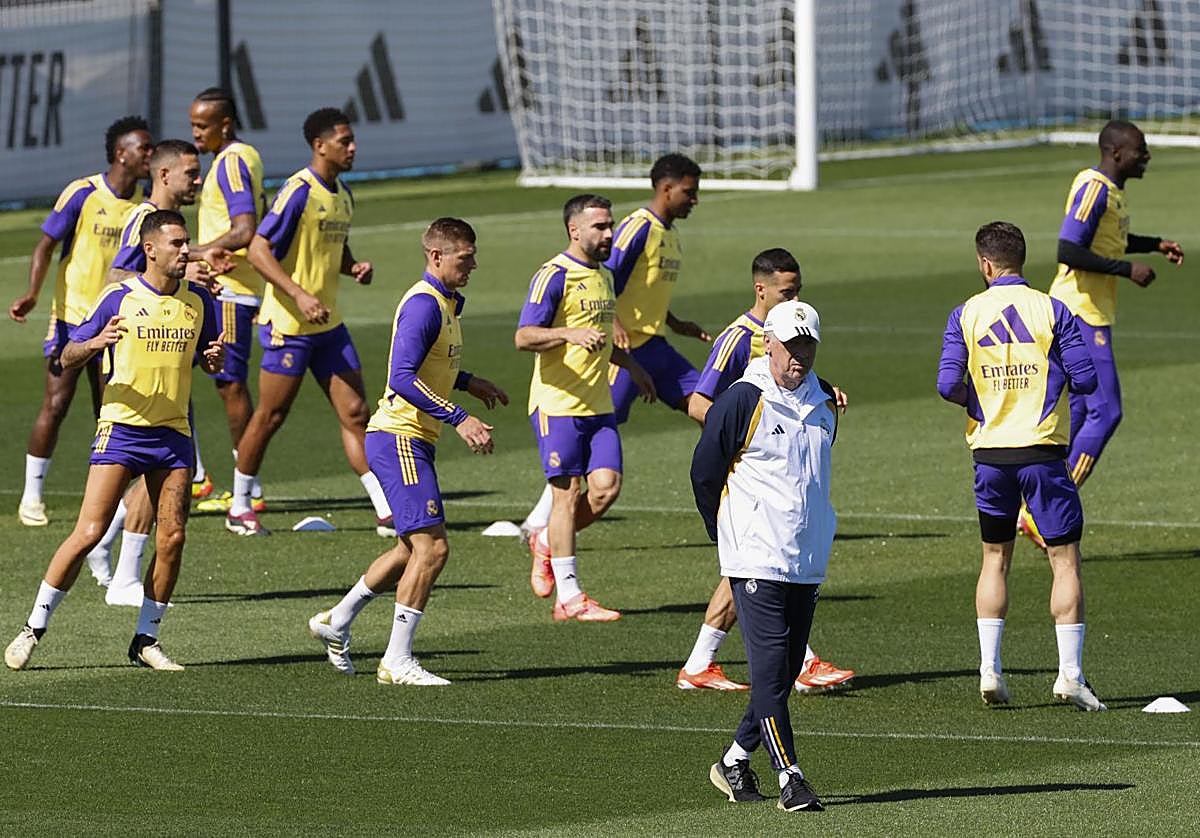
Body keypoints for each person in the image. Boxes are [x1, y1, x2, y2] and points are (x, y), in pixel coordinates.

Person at [4, 209, 223, 672]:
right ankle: (32, 629)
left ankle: (146, 639)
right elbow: (66, 355)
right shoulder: (118, 298)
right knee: (88, 532)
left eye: (187, 243)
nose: (186, 251)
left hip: (174, 434)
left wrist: (212, 358)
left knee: (174, 537)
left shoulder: (200, 300)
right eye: (177, 244)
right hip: (122, 430)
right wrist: (95, 341)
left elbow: (206, 359)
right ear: (150, 249)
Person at [308, 218, 507, 685]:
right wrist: (461, 417)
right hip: (400, 438)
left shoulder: (449, 303)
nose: (473, 264)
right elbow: (401, 378)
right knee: (433, 548)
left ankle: (337, 620)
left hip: (411, 439)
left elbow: (429, 365)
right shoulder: (424, 305)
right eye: (465, 257)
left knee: (408, 549)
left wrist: (468, 381)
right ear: (436, 256)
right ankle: (397, 660)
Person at [938, 221, 1104, 711]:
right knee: (1064, 559)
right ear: (1021, 261)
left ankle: (990, 671)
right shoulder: (1052, 310)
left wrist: (982, 402)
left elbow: (948, 385)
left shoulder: (965, 312)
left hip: (989, 455)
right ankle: (1070, 676)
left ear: (984, 265)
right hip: (1043, 453)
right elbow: (1088, 380)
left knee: (995, 558)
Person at [676, 249, 855, 693]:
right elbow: (700, 401)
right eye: (786, 292)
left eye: (798, 291)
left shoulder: (793, 337)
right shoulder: (739, 337)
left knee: (750, 575)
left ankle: (701, 663)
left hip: (777, 475)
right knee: (765, 572)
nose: (794, 299)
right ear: (762, 290)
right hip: (749, 472)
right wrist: (749, 432)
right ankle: (802, 663)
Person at [691, 299, 837, 812]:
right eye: (791, 346)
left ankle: (734, 761)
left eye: (807, 346)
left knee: (786, 667)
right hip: (755, 556)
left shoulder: (823, 402)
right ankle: (790, 777)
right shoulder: (742, 400)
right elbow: (705, 472)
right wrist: (726, 534)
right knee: (774, 669)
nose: (799, 356)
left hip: (806, 556)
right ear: (769, 343)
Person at [519, 153, 710, 538]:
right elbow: (609, 280)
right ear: (666, 188)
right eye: (689, 192)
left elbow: (641, 290)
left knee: (712, 411)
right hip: (622, 350)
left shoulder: (669, 233)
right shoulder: (637, 228)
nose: (694, 200)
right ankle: (539, 526)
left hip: (653, 346)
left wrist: (675, 322)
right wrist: (615, 326)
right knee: (584, 444)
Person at [224, 107, 392, 536]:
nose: (352, 148)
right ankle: (240, 503)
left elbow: (329, 249)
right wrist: (298, 294)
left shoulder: (343, 195)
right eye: (344, 141)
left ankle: (385, 508)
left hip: (328, 325)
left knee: (357, 413)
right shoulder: (297, 191)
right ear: (320, 146)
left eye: (352, 141)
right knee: (271, 416)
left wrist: (352, 266)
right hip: (289, 326)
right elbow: (260, 250)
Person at [1022, 120, 1184, 548]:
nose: (1146, 157)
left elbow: (1107, 243)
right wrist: (1128, 271)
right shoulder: (1093, 187)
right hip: (1079, 315)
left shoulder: (1111, 192)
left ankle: (1034, 510)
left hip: (1088, 313)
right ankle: (1048, 512)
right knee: (1106, 411)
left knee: (1080, 419)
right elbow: (1069, 249)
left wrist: (1153, 245)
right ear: (1116, 153)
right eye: (1140, 151)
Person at [87, 139, 230, 605]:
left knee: (159, 471)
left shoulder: (174, 234)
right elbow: (115, 280)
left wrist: (191, 275)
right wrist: (182, 279)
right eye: (192, 172)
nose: (198, 180)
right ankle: (121, 568)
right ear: (165, 175)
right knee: (151, 467)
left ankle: (114, 558)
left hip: (172, 351)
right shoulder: (141, 221)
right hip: (140, 358)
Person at [514, 194, 656, 622]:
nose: (609, 233)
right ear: (575, 230)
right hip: (557, 403)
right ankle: (569, 596)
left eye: (610, 225)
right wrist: (567, 333)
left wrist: (633, 366)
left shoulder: (603, 276)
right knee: (568, 493)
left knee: (606, 488)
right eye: (600, 227)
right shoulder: (553, 275)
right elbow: (524, 337)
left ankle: (545, 543)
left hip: (597, 403)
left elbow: (601, 338)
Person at [10, 116, 152, 528]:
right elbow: (45, 245)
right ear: (121, 153)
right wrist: (34, 293)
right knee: (55, 405)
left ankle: (114, 503)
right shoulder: (84, 192)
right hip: (73, 319)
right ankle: (31, 497)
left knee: (112, 412)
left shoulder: (145, 206)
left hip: (119, 323)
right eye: (143, 148)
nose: (149, 154)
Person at [189, 87, 270, 512]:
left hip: (232, 291)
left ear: (225, 123)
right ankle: (209, 478)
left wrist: (193, 253)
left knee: (230, 384)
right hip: (230, 289)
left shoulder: (234, 159)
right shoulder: (239, 158)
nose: (196, 134)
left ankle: (247, 486)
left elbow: (244, 228)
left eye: (202, 126)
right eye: (192, 126)